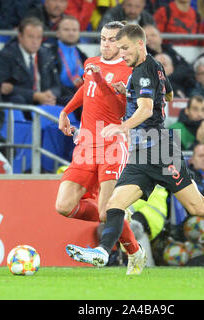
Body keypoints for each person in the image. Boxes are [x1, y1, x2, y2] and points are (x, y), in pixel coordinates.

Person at [65, 24, 204, 273]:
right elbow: (168, 97)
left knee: (198, 208)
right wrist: (130, 93)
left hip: (160, 150)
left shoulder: (143, 72)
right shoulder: (152, 66)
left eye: (124, 48)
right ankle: (102, 252)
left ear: (139, 44)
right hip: (141, 153)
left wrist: (122, 127)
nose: (121, 53)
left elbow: (145, 110)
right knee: (114, 205)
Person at [55, 21, 141, 275]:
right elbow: (86, 89)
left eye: (112, 39)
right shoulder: (92, 62)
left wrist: (100, 79)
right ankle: (120, 214)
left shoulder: (130, 72)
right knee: (64, 205)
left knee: (106, 214)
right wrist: (66, 111)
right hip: (85, 144)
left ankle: (135, 253)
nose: (106, 43)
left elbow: (119, 111)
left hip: (112, 143)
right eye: (103, 38)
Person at [0, 17, 65, 120]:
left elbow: (57, 85)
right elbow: (1, 88)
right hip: (23, 102)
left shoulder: (47, 54)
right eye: (31, 37)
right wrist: (34, 95)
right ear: (20, 36)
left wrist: (51, 94)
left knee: (72, 100)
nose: (35, 41)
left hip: (45, 100)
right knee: (18, 100)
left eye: (38, 37)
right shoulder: (5, 56)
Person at [143, 24, 195, 97]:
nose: (149, 38)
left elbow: (186, 68)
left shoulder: (170, 51)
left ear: (160, 38)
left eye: (153, 35)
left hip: (180, 86)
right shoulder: (143, 56)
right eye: (146, 37)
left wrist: (169, 77)